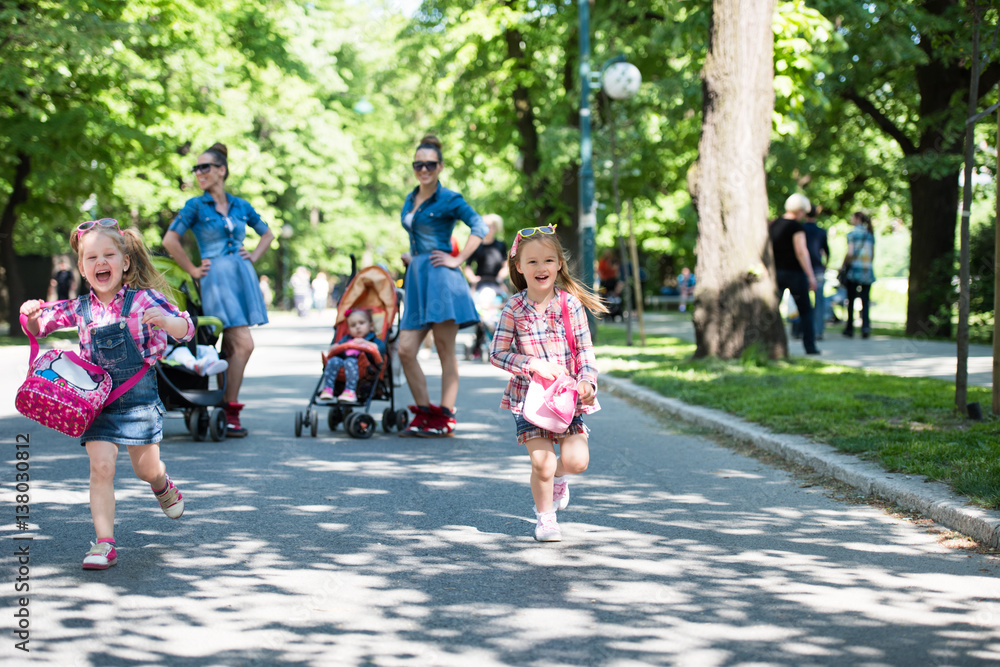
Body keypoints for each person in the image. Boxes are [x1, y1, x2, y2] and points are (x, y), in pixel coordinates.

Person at [20, 218, 195, 570]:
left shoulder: (145, 299)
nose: (101, 262)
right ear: (82, 268)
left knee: (146, 469)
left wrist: (165, 318)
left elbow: (186, 329)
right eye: (91, 258)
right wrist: (32, 314)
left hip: (138, 399)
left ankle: (161, 483)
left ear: (125, 261)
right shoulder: (80, 307)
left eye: (109, 255)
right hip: (97, 401)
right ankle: (104, 543)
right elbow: (43, 323)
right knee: (101, 468)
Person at [489, 225, 608, 542]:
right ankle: (545, 518)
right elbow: (497, 354)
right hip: (529, 399)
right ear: (519, 266)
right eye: (532, 262)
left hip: (568, 398)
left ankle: (559, 477)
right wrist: (530, 364)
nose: (541, 268)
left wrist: (587, 381)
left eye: (548, 261)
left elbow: (584, 350)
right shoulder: (514, 308)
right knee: (541, 463)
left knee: (576, 462)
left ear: (558, 264)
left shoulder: (570, 305)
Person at [162, 143, 275, 437]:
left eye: (205, 167)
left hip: (242, 277)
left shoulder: (241, 205)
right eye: (196, 168)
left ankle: (226, 409)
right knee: (244, 343)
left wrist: (255, 255)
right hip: (215, 282)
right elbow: (170, 240)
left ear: (221, 170)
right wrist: (192, 270)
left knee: (231, 346)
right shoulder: (195, 206)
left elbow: (267, 233)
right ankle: (230, 408)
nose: (199, 173)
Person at [397, 134, 488, 437]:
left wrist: (458, 258)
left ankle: (445, 417)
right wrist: (413, 255)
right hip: (418, 278)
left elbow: (479, 226)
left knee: (444, 349)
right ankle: (424, 413)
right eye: (418, 164)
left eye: (430, 164)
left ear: (440, 166)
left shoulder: (450, 199)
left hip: (441, 280)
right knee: (405, 349)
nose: (424, 169)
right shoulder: (411, 198)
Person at [769, 193, 820, 355]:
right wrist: (811, 275)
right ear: (801, 210)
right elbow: (801, 251)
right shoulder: (797, 227)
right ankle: (810, 346)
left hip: (776, 272)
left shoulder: (773, 224)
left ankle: (770, 343)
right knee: (805, 310)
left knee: (771, 310)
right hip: (795, 274)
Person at [317, 308, 387, 403]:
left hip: (364, 369)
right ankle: (328, 388)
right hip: (343, 367)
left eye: (361, 323)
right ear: (349, 329)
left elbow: (381, 348)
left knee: (350, 362)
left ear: (371, 326)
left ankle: (350, 391)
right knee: (333, 361)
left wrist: (365, 343)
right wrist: (335, 347)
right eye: (353, 325)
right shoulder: (347, 339)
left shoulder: (372, 339)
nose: (357, 327)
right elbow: (338, 348)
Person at [463, 213, 509, 360]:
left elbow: (506, 264)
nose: (488, 229)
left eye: (491, 226)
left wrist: (501, 275)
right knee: (480, 312)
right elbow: (468, 266)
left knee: (498, 311)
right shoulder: (477, 245)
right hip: (480, 284)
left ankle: (499, 342)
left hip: (495, 284)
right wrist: (472, 278)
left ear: (495, 228)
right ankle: (479, 342)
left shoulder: (500, 245)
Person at [842, 211, 876, 338]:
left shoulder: (852, 234)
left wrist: (843, 265)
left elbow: (850, 253)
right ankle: (865, 327)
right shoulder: (870, 234)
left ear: (857, 219)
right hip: (867, 271)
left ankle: (850, 328)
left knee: (851, 300)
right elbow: (872, 254)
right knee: (865, 301)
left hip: (854, 271)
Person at [802, 205, 830, 340]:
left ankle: (801, 330)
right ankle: (818, 331)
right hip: (818, 269)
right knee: (819, 301)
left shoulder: (801, 229)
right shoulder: (821, 231)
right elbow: (827, 252)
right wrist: (825, 265)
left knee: (801, 300)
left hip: (803, 269)